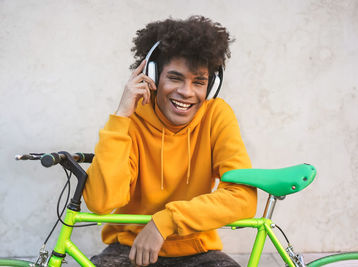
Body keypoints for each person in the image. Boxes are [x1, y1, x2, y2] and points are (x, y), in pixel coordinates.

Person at [83, 16, 257, 267]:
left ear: (211, 87)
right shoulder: (130, 121)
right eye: (175, 78)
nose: (187, 92)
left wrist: (165, 222)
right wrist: (120, 117)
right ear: (152, 77)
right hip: (130, 247)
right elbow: (101, 202)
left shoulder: (217, 115)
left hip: (196, 248)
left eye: (199, 82)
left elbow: (243, 197)